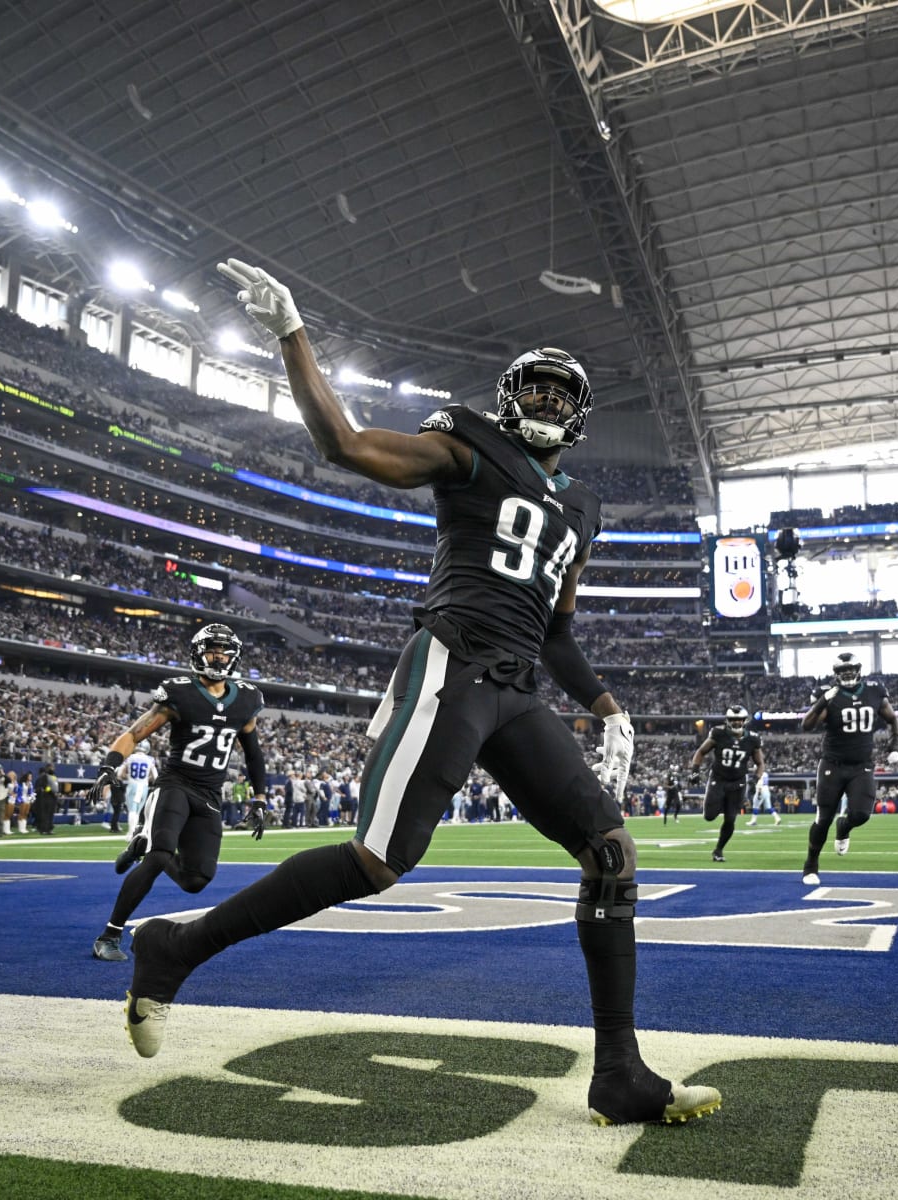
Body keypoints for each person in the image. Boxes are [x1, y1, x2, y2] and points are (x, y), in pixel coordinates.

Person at [122, 258, 721, 1130]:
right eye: (537, 389)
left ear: (581, 415)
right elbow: (349, 446)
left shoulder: (583, 507)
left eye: (564, 394)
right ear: (512, 395)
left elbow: (555, 629)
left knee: (611, 853)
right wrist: (293, 335)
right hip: (451, 664)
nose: (549, 403)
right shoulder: (468, 444)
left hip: (519, 688)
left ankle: (619, 1072)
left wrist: (606, 707)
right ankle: (173, 946)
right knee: (376, 863)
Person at [90, 623, 268, 963]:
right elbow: (133, 734)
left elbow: (254, 754)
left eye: (224, 651)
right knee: (160, 855)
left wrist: (259, 798)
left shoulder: (247, 698)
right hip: (175, 784)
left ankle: (140, 843)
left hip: (210, 794)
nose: (219, 657)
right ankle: (109, 935)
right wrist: (109, 766)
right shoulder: (178, 692)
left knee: (196, 879)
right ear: (197, 653)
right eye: (212, 650)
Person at [799, 653, 898, 885]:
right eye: (842, 671)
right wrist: (824, 699)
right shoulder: (828, 694)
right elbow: (807, 725)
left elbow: (892, 718)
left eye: (850, 669)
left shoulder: (874, 690)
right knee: (823, 819)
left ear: (858, 669)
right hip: (832, 765)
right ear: (835, 674)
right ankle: (810, 867)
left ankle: (844, 827)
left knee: (861, 814)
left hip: (861, 765)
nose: (847, 674)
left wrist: (895, 744)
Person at [691, 704, 763, 863]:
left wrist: (755, 779)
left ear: (744, 721)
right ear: (728, 720)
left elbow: (760, 763)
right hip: (719, 779)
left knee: (730, 819)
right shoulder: (718, 734)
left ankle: (718, 850)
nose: (737, 723)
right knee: (709, 816)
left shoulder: (752, 738)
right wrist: (695, 770)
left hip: (738, 783)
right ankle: (722, 803)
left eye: (739, 720)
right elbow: (701, 752)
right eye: (733, 720)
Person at [118, 738, 158, 836]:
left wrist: (129, 776)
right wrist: (147, 778)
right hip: (143, 786)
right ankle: (134, 831)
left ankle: (131, 832)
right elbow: (156, 776)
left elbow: (119, 774)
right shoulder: (150, 759)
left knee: (132, 810)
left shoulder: (130, 758)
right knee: (138, 810)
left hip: (132, 785)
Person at [33, 763, 59, 835]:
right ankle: (44, 829)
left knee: (51, 813)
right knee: (45, 814)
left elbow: (55, 785)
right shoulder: (45, 776)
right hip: (47, 797)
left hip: (53, 797)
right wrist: (51, 792)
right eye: (51, 768)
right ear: (47, 768)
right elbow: (45, 786)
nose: (53, 769)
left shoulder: (54, 777)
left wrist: (56, 792)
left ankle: (49, 828)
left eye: (53, 768)